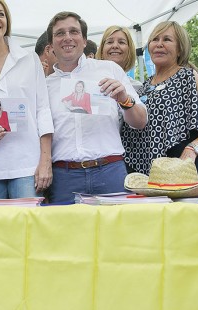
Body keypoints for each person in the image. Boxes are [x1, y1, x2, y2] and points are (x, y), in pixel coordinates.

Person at [45, 11, 147, 203]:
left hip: (109, 171)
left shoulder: (109, 69)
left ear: (84, 41)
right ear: (50, 46)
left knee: (117, 232)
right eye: (60, 33)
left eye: (73, 32)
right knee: (66, 233)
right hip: (64, 176)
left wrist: (124, 99)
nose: (67, 38)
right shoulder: (45, 85)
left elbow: (140, 121)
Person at [0, 0, 53, 199]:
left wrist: (45, 161)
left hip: (28, 165)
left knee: (28, 228)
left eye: (1, 14)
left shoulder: (30, 60)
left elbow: (43, 110)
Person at [121, 21, 198, 183]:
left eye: (167, 40)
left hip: (183, 170)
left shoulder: (188, 77)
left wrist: (192, 149)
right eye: (155, 39)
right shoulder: (145, 86)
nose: (159, 44)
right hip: (152, 173)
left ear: (180, 49)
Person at [95, 25, 142, 91]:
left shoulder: (138, 88)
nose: (115, 46)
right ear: (102, 51)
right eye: (110, 42)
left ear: (129, 51)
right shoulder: (88, 81)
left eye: (121, 42)